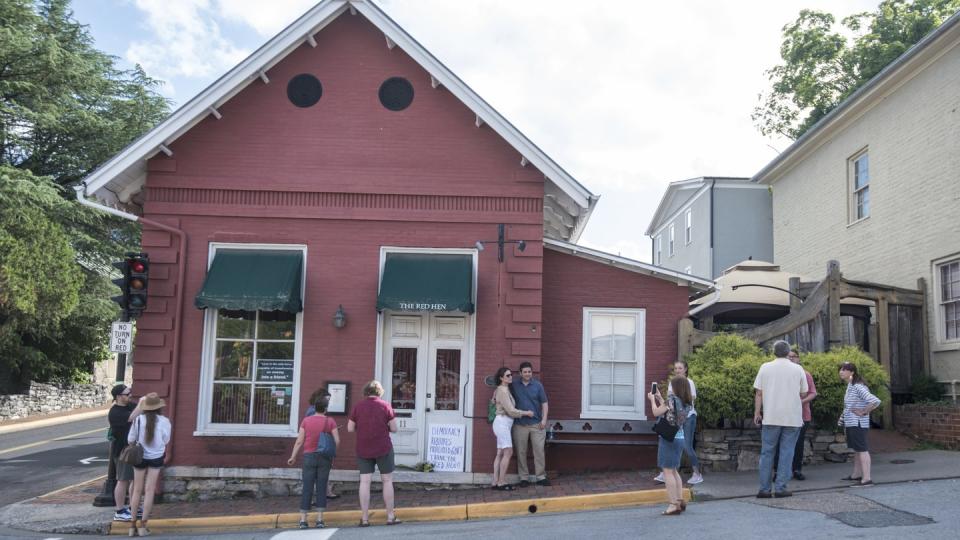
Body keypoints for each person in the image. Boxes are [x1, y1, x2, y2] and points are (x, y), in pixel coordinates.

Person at [753, 340, 808, 499]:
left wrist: (757, 412)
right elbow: (804, 393)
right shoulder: (798, 369)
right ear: (788, 352)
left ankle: (764, 489)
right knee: (787, 453)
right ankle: (781, 488)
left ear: (774, 352)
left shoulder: (765, 367)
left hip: (771, 416)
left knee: (767, 453)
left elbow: (759, 393)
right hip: (792, 417)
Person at [347, 380, 401, 527]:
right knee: (387, 480)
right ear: (380, 392)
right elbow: (394, 428)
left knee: (365, 481)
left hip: (363, 447)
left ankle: (364, 519)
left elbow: (350, 428)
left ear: (366, 392)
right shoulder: (385, 406)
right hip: (383, 446)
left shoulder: (358, 406)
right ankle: (390, 517)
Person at [288, 394, 339, 529]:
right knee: (322, 487)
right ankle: (320, 520)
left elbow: (299, 441)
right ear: (326, 409)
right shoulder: (331, 421)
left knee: (307, 487)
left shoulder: (306, 421)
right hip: (324, 457)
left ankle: (303, 520)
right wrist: (332, 453)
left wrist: (293, 456)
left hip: (309, 457)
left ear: (314, 407)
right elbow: (337, 441)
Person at [126, 392, 171, 537]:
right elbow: (166, 440)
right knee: (150, 490)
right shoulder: (164, 421)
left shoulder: (138, 420)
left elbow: (130, 439)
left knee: (137, 490)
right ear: (159, 407)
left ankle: (132, 526)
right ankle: (143, 526)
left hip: (140, 457)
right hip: (156, 457)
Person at [648, 376, 693, 515]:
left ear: (677, 387)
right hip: (679, 437)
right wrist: (660, 399)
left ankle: (673, 505)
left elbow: (656, 412)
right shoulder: (686, 403)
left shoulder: (672, 400)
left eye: (671, 386)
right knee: (674, 470)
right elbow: (671, 413)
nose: (670, 388)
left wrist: (652, 400)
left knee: (667, 471)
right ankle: (679, 500)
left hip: (668, 439)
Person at [654, 361, 703, 485]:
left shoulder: (688, 382)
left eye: (680, 368)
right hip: (675, 417)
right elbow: (670, 401)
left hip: (688, 417)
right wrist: (662, 398)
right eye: (675, 368)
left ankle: (697, 473)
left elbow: (689, 398)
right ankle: (667, 471)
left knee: (686, 445)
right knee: (672, 442)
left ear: (686, 369)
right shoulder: (673, 382)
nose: (677, 370)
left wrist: (675, 398)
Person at [839, 362, 881, 487]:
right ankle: (856, 475)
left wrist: (863, 412)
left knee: (862, 450)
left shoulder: (858, 386)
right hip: (852, 423)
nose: (841, 371)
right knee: (857, 450)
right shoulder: (851, 385)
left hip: (858, 423)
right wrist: (842, 419)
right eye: (840, 369)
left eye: (844, 369)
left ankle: (867, 479)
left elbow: (875, 401)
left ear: (852, 372)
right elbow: (849, 406)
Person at [491, 367, 534, 491]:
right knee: (508, 452)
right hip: (502, 423)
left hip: (502, 423)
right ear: (501, 378)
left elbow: (497, 401)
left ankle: (495, 481)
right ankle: (501, 482)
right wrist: (526, 413)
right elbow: (511, 410)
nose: (511, 377)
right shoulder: (503, 391)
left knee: (500, 453)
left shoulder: (503, 389)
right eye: (508, 375)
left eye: (511, 375)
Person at [510, 361, 550, 487]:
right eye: (525, 372)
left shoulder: (538, 385)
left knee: (539, 451)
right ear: (520, 373)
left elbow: (544, 403)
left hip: (536, 424)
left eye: (529, 372)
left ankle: (541, 476)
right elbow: (502, 388)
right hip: (519, 424)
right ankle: (524, 478)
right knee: (521, 452)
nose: (527, 374)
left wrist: (544, 420)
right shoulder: (514, 384)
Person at [109, 384, 139, 522]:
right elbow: (131, 417)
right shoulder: (115, 412)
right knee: (122, 480)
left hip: (132, 449)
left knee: (134, 479)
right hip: (122, 451)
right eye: (127, 394)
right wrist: (143, 405)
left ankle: (133, 506)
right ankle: (119, 510)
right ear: (119, 397)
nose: (130, 396)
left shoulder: (130, 406)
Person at [303, 389, 339, 500]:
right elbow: (310, 428)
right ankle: (318, 498)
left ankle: (326, 492)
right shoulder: (312, 411)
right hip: (316, 446)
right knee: (316, 474)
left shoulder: (315, 410)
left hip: (320, 445)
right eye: (327, 399)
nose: (329, 402)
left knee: (322, 471)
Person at [788, 350, 817, 480]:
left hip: (802, 415)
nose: (791, 359)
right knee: (783, 444)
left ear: (798, 359)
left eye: (793, 356)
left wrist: (800, 402)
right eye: (788, 356)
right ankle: (780, 471)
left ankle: (797, 470)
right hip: (785, 415)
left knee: (798, 444)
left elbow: (813, 393)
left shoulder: (805, 374)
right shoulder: (782, 375)